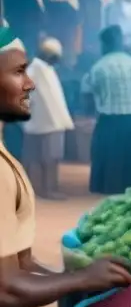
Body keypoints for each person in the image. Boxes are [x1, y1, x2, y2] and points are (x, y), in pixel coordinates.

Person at [0, 25, 131, 307]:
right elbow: (4, 287)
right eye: (19, 71)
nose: (31, 81)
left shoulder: (5, 159)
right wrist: (79, 280)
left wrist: (75, 275)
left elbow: (19, 266)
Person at [82, 26, 131, 195]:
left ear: (104, 44)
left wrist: (93, 112)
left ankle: (107, 189)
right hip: (130, 120)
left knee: (109, 160)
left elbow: (87, 97)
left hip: (107, 120)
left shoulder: (97, 67)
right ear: (120, 41)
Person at [22, 38, 74, 199]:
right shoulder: (34, 69)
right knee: (40, 159)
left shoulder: (46, 68)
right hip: (40, 121)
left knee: (48, 158)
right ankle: (42, 190)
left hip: (49, 121)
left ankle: (47, 189)